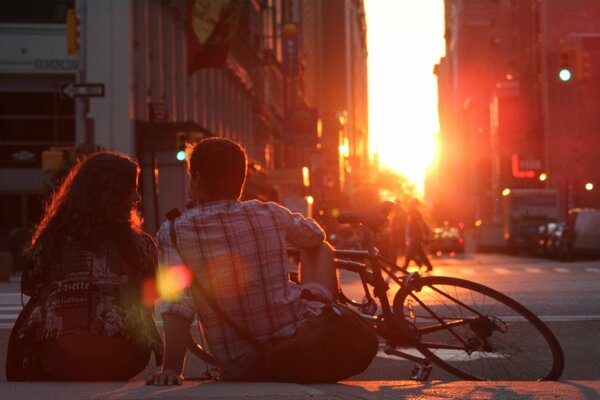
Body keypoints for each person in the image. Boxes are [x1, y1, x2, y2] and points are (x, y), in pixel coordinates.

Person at [148, 137, 369, 385]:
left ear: (196, 178)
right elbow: (316, 236)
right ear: (240, 184)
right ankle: (324, 318)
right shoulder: (269, 212)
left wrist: (171, 368)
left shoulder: (174, 231)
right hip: (297, 338)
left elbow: (177, 303)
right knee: (322, 249)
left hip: (238, 363)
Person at [9, 151, 162, 381]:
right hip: (125, 359)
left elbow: (29, 286)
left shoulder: (51, 239)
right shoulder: (141, 245)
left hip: (57, 359)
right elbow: (152, 295)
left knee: (34, 307)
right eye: (133, 188)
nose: (138, 197)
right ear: (116, 194)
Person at [402, 198, 433, 272]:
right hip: (415, 235)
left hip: (416, 235)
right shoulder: (414, 212)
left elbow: (420, 224)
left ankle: (405, 267)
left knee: (410, 251)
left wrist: (423, 234)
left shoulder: (415, 212)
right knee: (420, 252)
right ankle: (428, 266)